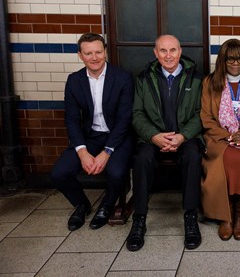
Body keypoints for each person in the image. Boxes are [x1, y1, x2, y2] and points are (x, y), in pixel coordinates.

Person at [126, 35, 204, 251]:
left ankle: (190, 217)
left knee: (192, 157)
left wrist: (182, 136)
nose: (168, 55)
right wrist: (154, 136)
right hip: (153, 137)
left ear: (180, 51)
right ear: (155, 53)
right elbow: (137, 113)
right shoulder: (143, 79)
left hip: (185, 137)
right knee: (141, 159)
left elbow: (200, 114)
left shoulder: (196, 79)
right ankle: (139, 219)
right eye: (163, 51)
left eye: (172, 50)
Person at [51, 33, 134, 231]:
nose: (94, 57)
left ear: (105, 52)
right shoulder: (74, 80)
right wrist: (82, 151)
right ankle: (82, 205)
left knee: (115, 172)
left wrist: (106, 153)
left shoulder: (123, 78)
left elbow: (124, 120)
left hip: (118, 136)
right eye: (89, 53)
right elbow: (71, 119)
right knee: (59, 173)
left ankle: (106, 206)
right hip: (89, 137)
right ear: (80, 55)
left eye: (98, 52)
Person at [201, 39, 240, 241]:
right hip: (218, 137)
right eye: (230, 60)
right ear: (222, 61)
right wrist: (227, 136)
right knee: (226, 158)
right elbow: (206, 118)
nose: (235, 64)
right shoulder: (210, 83)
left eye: (239, 60)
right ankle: (225, 216)